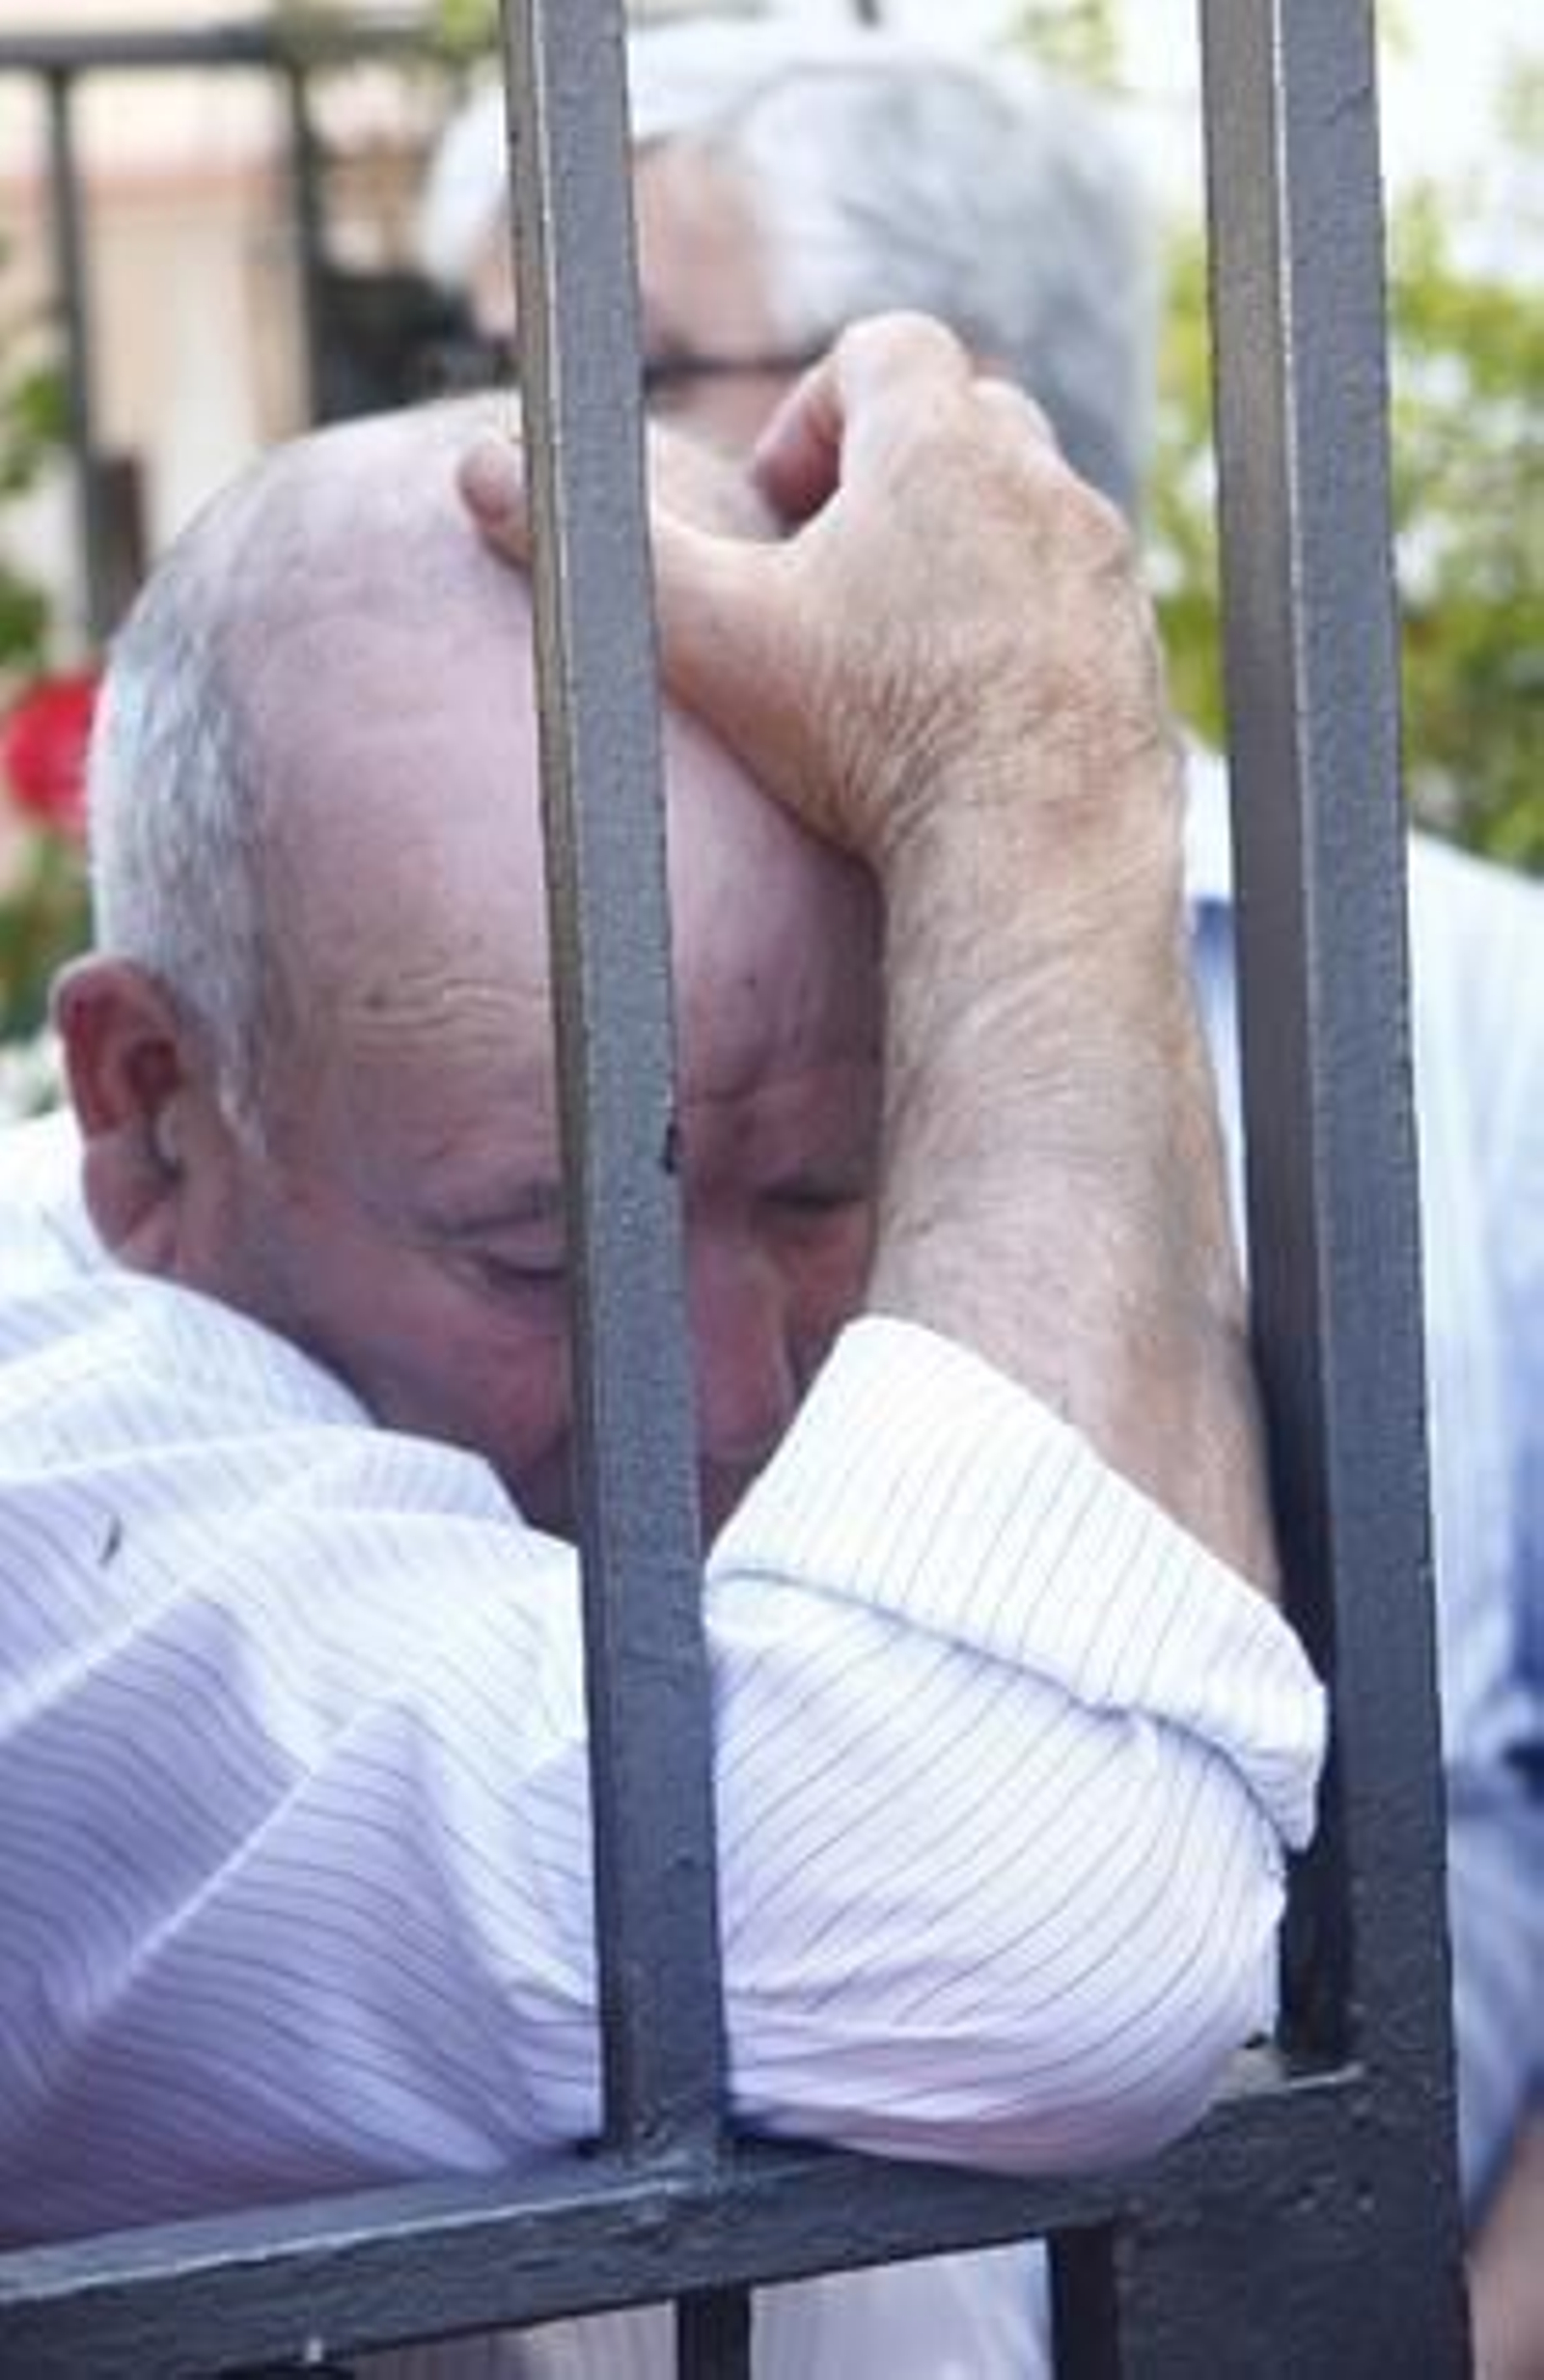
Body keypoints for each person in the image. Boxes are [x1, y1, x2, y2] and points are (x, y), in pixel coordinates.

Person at [0, 325, 1323, 2374]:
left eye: (825, 1194)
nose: (735, 1399)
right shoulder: (49, 1491)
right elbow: (1049, 1935)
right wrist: (1024, 770)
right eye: (544, 1251)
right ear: (155, 1099)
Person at [426, 16, 1544, 2341]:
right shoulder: (472, 985)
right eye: (482, 365)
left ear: (968, 435)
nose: (496, 458)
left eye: (612, 368)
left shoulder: (1482, 1011)